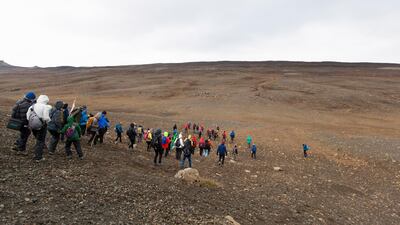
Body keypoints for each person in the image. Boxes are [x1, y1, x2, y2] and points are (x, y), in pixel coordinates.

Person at [26, 95, 52, 162]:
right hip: (42, 126)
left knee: (38, 139)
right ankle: (38, 157)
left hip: (32, 125)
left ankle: (37, 154)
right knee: (40, 141)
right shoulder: (45, 107)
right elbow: (46, 118)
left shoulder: (32, 106)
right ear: (46, 100)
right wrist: (49, 121)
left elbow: (27, 116)